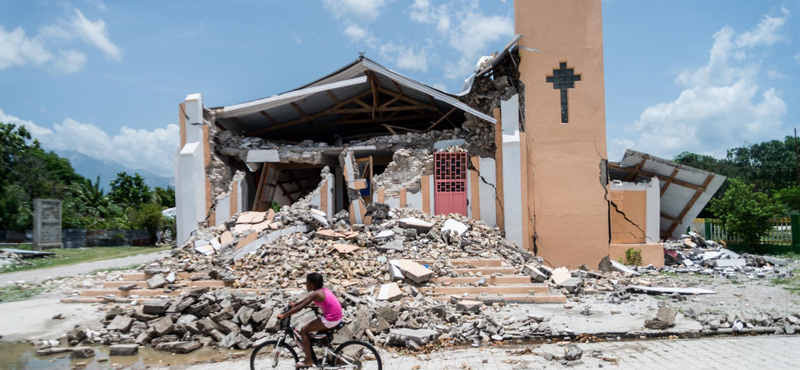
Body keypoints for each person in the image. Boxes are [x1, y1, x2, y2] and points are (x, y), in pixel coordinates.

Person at [277, 272, 343, 369]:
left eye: (306, 283)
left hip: (331, 318)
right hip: (336, 317)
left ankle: (308, 360)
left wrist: (283, 315)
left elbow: (300, 308)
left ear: (312, 284)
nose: (305, 285)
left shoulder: (317, 293)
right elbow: (307, 300)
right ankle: (336, 358)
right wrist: (295, 303)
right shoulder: (322, 290)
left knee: (304, 330)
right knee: (321, 339)